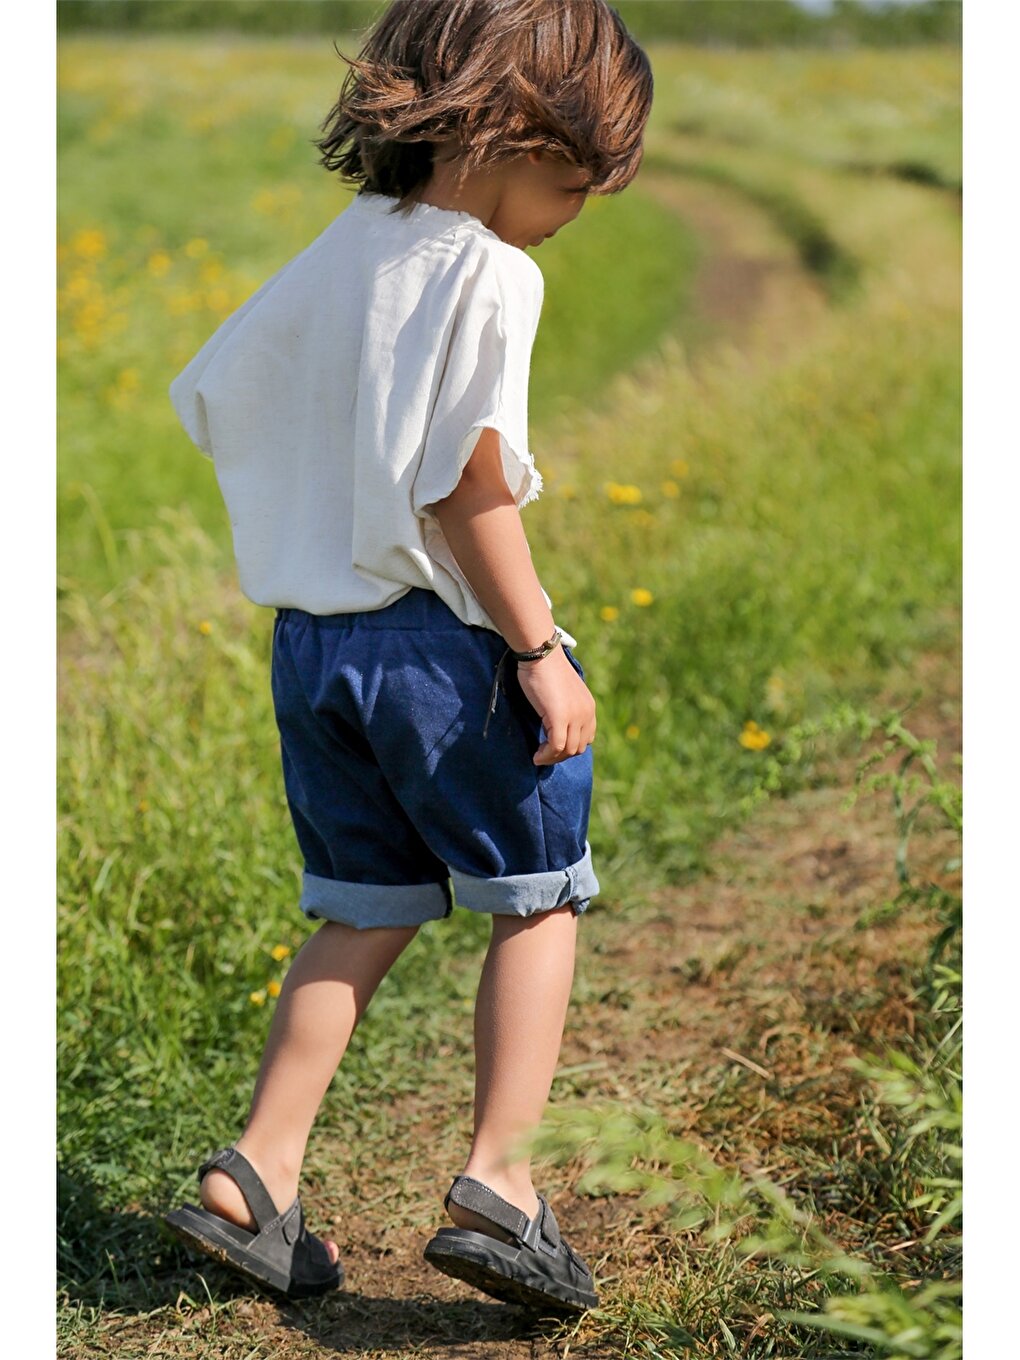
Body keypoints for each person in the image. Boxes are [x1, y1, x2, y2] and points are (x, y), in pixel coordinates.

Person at [163, 0, 652, 1316]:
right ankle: (505, 1180)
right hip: (439, 648)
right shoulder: (491, 273)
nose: (569, 213)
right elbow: (468, 487)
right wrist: (538, 650)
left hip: (314, 648)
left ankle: (258, 1177)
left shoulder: (336, 253)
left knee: (360, 909)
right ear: (507, 133)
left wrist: (324, 498)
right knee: (539, 896)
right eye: (570, 183)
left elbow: (214, 395)